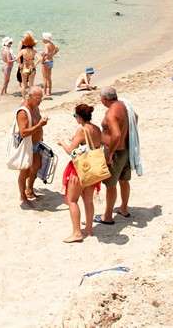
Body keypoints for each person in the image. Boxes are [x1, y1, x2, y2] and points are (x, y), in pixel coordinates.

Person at [58, 103, 103, 243]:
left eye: (75, 116)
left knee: (72, 200)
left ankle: (77, 233)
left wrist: (62, 143)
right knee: (88, 200)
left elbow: (71, 151)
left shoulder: (82, 130)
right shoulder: (96, 128)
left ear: (79, 117)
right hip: (93, 168)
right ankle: (89, 229)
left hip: (80, 169)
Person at [98, 87, 132, 225]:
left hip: (116, 153)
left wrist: (110, 154)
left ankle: (107, 216)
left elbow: (116, 134)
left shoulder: (111, 113)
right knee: (124, 180)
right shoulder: (122, 105)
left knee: (110, 185)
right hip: (125, 150)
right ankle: (124, 208)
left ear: (105, 99)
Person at [15, 87, 47, 204]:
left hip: (37, 143)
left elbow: (37, 123)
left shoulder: (36, 107)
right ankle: (23, 196)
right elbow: (23, 133)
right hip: (27, 146)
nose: (40, 100)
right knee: (25, 172)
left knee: (36, 167)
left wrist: (41, 134)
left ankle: (30, 189)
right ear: (30, 97)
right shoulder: (23, 112)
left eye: (41, 97)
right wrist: (40, 125)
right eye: (38, 98)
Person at [40, 33, 59, 98]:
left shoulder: (46, 45)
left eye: (43, 38)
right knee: (49, 77)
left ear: (45, 39)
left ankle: (44, 92)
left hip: (46, 61)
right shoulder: (52, 44)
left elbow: (46, 53)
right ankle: (49, 92)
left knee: (44, 78)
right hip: (51, 61)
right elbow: (57, 49)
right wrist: (52, 55)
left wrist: (42, 59)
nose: (42, 39)